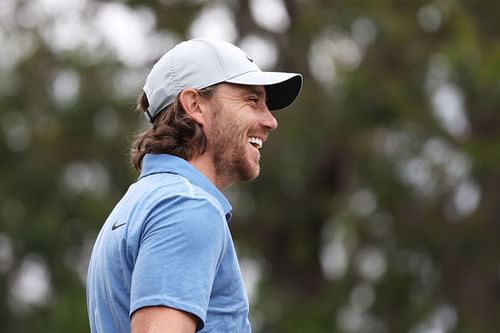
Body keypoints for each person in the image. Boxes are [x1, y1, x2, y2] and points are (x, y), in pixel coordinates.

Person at [86, 38, 302, 333]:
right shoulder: (187, 207)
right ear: (194, 105)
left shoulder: (140, 202)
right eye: (252, 101)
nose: (270, 121)